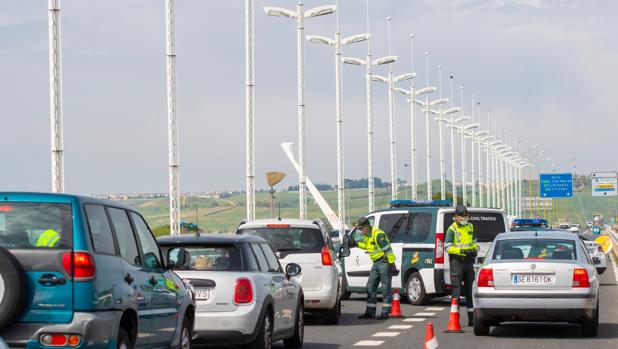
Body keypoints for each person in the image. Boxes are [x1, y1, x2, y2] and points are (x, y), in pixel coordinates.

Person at [351, 217, 397, 320]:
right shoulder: (368, 235)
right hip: (376, 263)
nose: (360, 231)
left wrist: (392, 263)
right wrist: (356, 244)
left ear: (366, 227)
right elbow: (368, 246)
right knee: (370, 287)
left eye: (361, 229)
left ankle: (386, 312)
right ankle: (370, 312)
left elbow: (387, 249)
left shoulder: (378, 234)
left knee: (385, 288)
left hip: (384, 262)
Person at [445, 204, 478, 326]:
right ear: (456, 217)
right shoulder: (452, 229)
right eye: (462, 216)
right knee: (456, 292)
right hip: (457, 262)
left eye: (466, 215)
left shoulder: (471, 226)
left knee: (470, 292)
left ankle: (471, 319)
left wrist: (474, 250)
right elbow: (447, 247)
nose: (465, 218)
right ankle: (455, 319)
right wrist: (462, 251)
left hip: (469, 263)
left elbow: (474, 242)